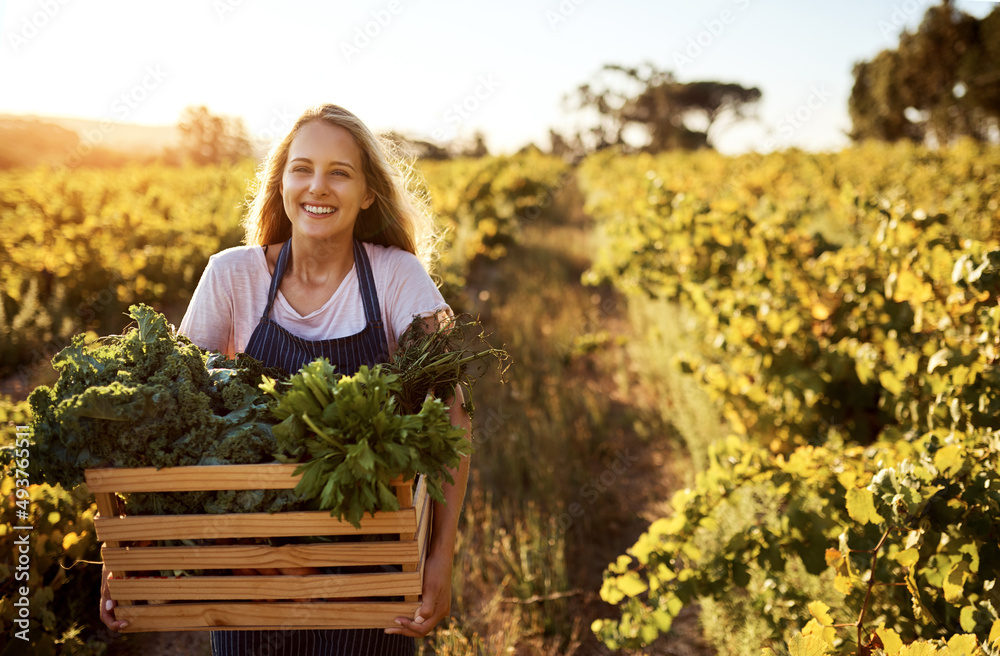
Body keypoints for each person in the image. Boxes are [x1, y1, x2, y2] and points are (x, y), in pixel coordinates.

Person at [98, 104, 471, 655]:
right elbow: (175, 419)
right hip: (249, 573)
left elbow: (452, 415)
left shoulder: (396, 276)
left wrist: (440, 560)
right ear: (282, 182)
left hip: (366, 571)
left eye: (339, 172)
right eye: (302, 168)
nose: (317, 186)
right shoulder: (232, 276)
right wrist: (133, 554)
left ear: (368, 192)